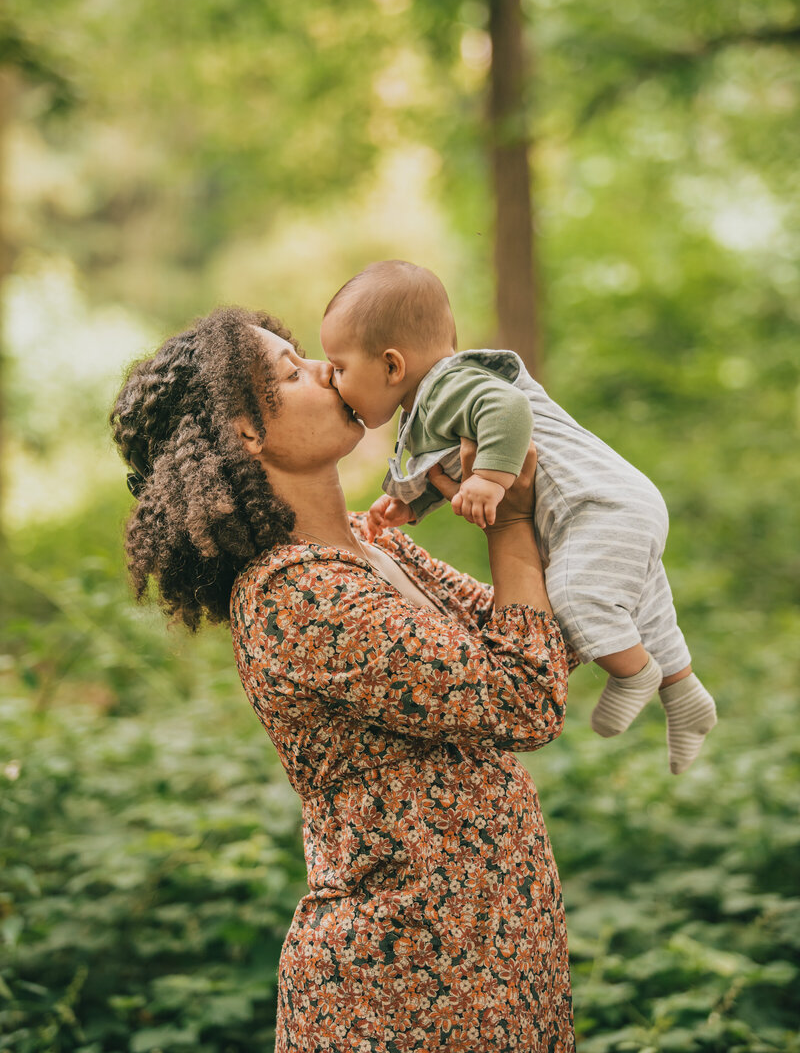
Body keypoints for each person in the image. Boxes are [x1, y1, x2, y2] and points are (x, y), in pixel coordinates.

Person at [110, 305, 576, 1052]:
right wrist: (511, 523)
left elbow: (541, 640)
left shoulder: (368, 541)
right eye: (292, 372)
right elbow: (523, 697)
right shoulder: (297, 595)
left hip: (500, 955)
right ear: (246, 434)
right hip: (405, 986)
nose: (326, 369)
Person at [320, 260, 718, 775]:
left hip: (593, 506)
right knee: (646, 604)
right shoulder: (431, 404)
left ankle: (634, 673)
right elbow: (452, 461)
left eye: (339, 366)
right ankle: (685, 694)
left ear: (393, 366)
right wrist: (409, 505)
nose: (333, 379)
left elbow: (506, 410)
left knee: (577, 599)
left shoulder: (446, 387)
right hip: (613, 504)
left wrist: (489, 479)